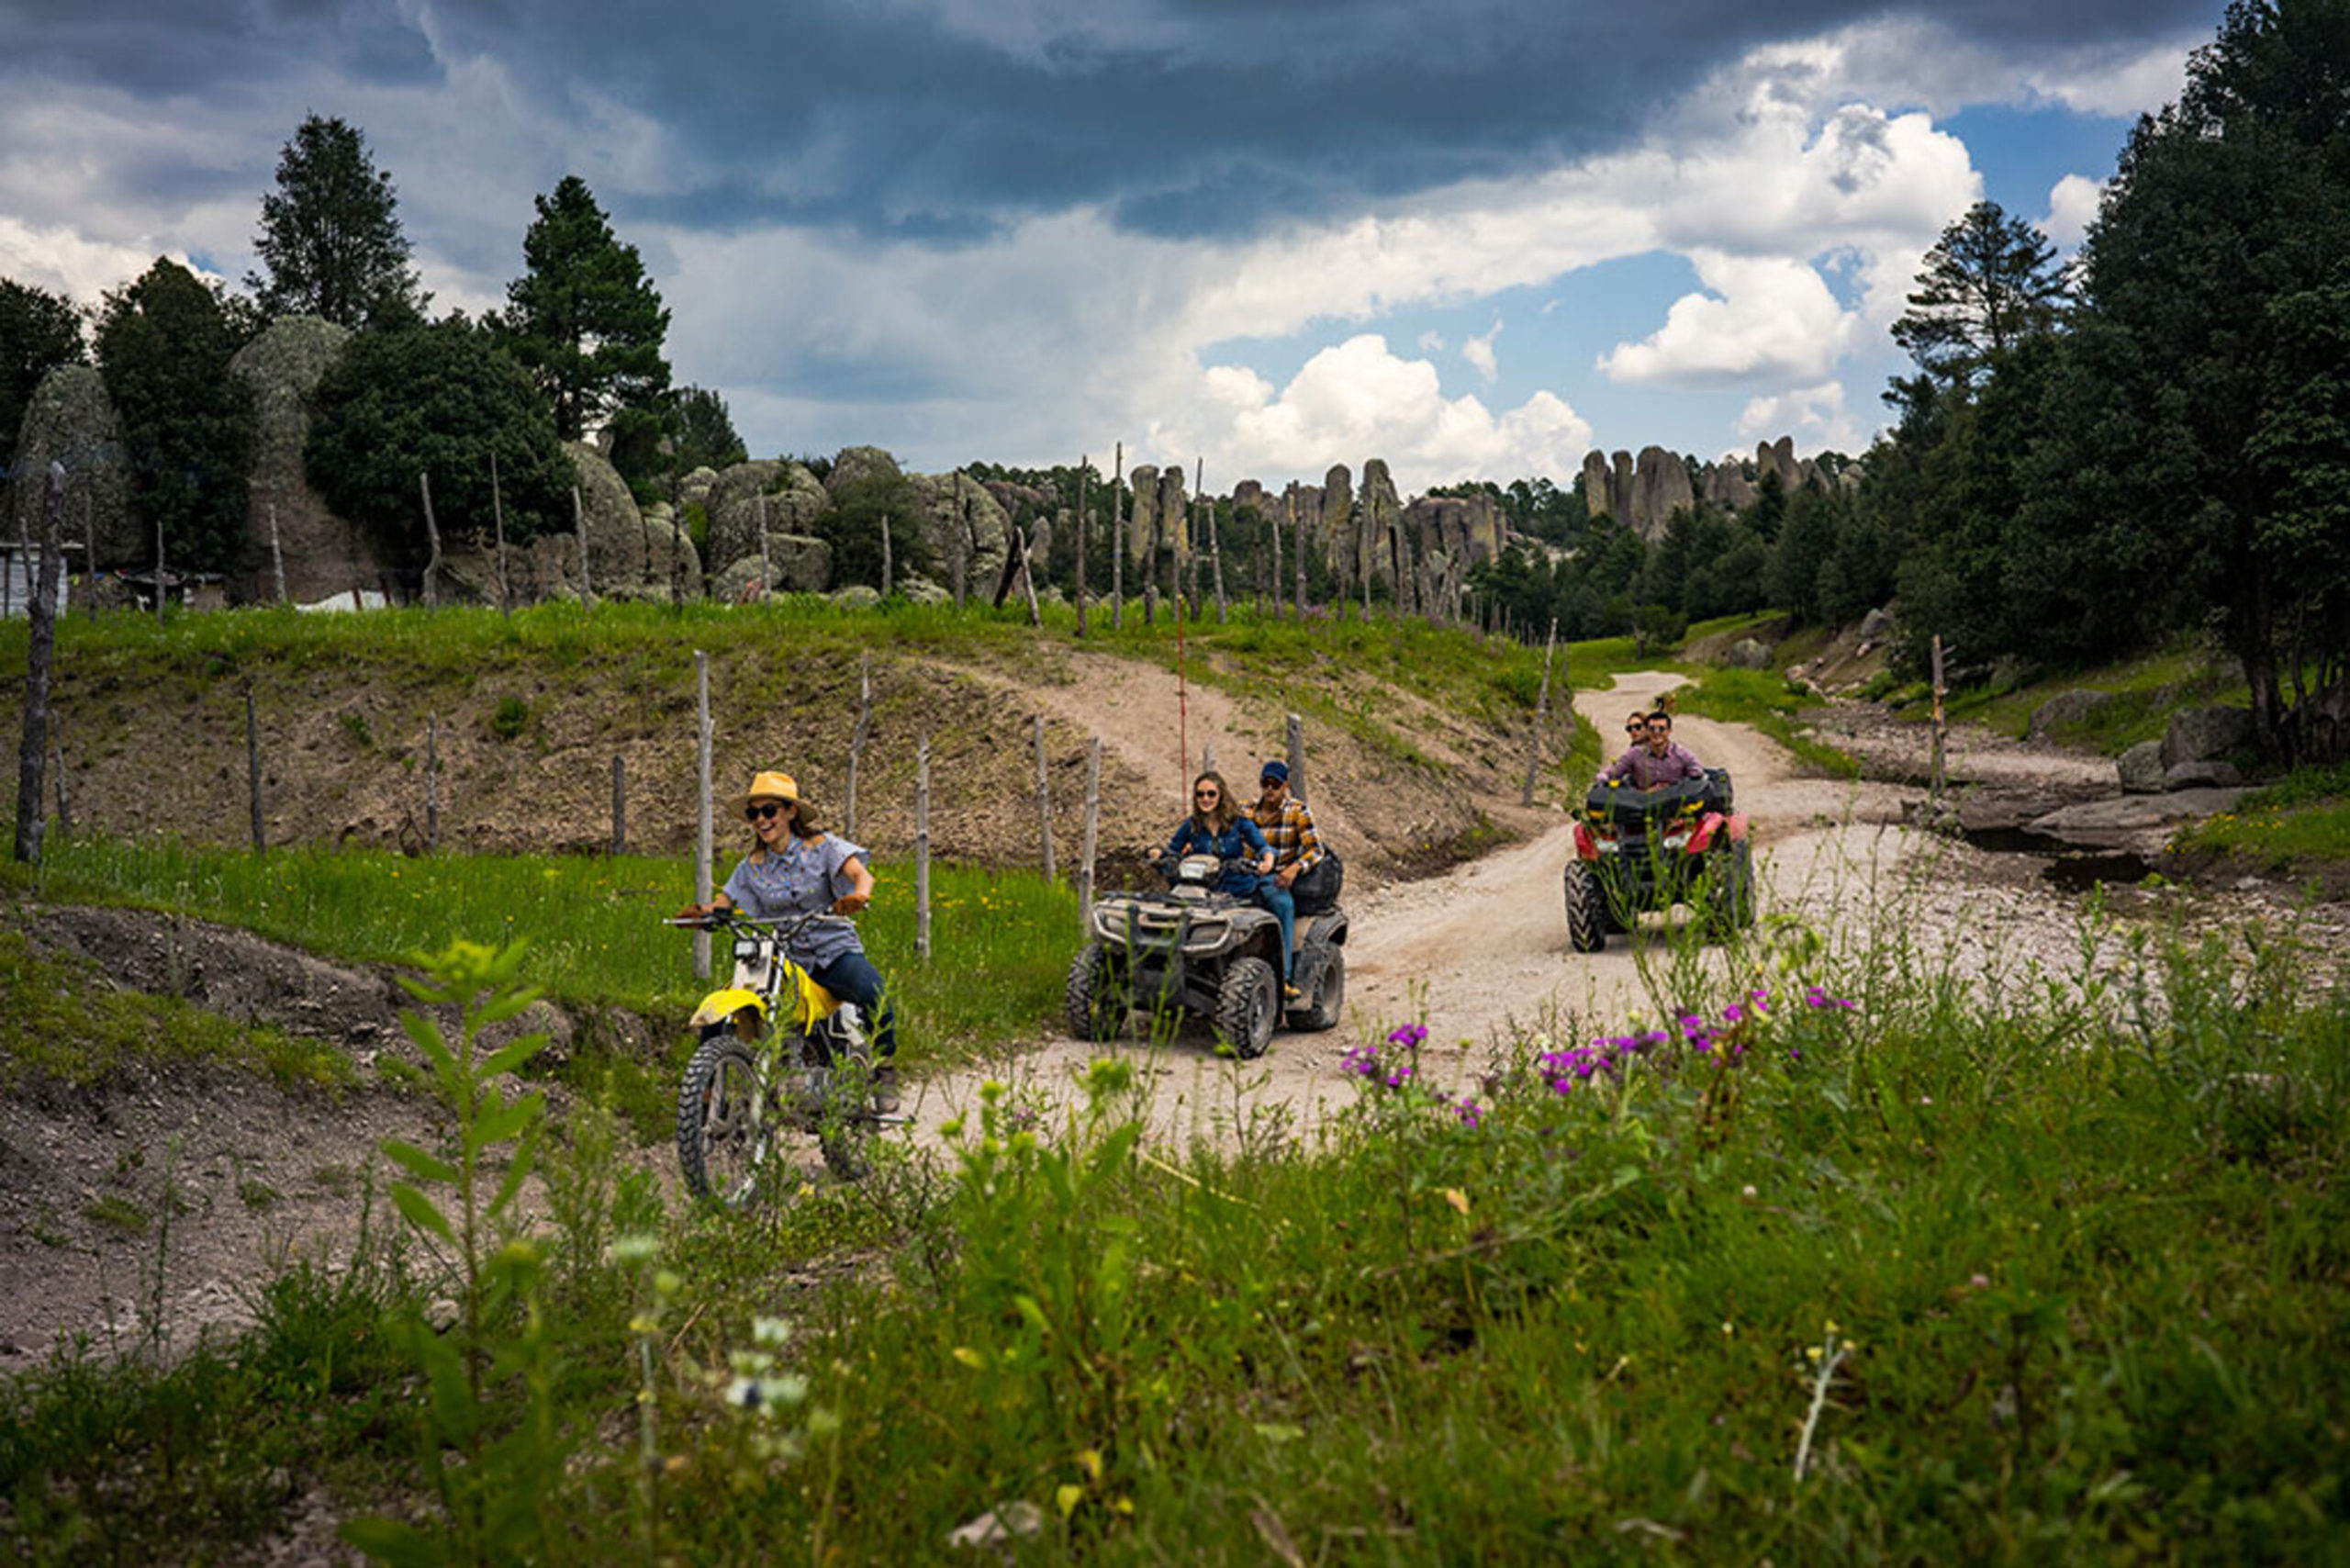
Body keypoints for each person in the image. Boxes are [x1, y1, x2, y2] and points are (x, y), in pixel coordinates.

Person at [679, 770, 898, 1109]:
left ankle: (885, 1069)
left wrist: (858, 897)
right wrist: (701, 914)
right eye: (754, 814)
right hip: (784, 959)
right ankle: (704, 1097)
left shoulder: (823, 847)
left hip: (832, 951)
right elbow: (724, 905)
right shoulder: (751, 866)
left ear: (790, 812)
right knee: (722, 1007)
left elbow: (860, 874)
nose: (761, 820)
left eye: (769, 811)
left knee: (873, 990)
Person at [1164, 770, 1292, 993]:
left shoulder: (1238, 822)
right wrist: (1160, 855)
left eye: (1211, 794)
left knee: (1280, 904)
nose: (1205, 799)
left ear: (1221, 795)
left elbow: (1262, 846)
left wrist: (1268, 859)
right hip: (1200, 890)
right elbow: (1171, 850)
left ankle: (1286, 976)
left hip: (1237, 888)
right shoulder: (1192, 825)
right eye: (1200, 794)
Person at [1247, 760, 1324, 997]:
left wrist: (1294, 868)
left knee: (1283, 906)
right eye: (1265, 783)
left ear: (1285, 785)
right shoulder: (1246, 810)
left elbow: (1316, 850)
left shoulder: (1297, 811)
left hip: (1275, 878)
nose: (1269, 789)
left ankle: (1285, 978)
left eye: (1275, 784)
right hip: (1243, 874)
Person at [1601, 709, 1707, 790]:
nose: (1656, 732)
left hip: (1676, 804)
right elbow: (1612, 772)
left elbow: (1697, 772)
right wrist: (1602, 780)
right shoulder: (1635, 753)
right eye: (1652, 729)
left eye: (1661, 729)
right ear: (1647, 730)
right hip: (1642, 805)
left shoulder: (1682, 754)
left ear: (1669, 731)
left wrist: (1676, 786)